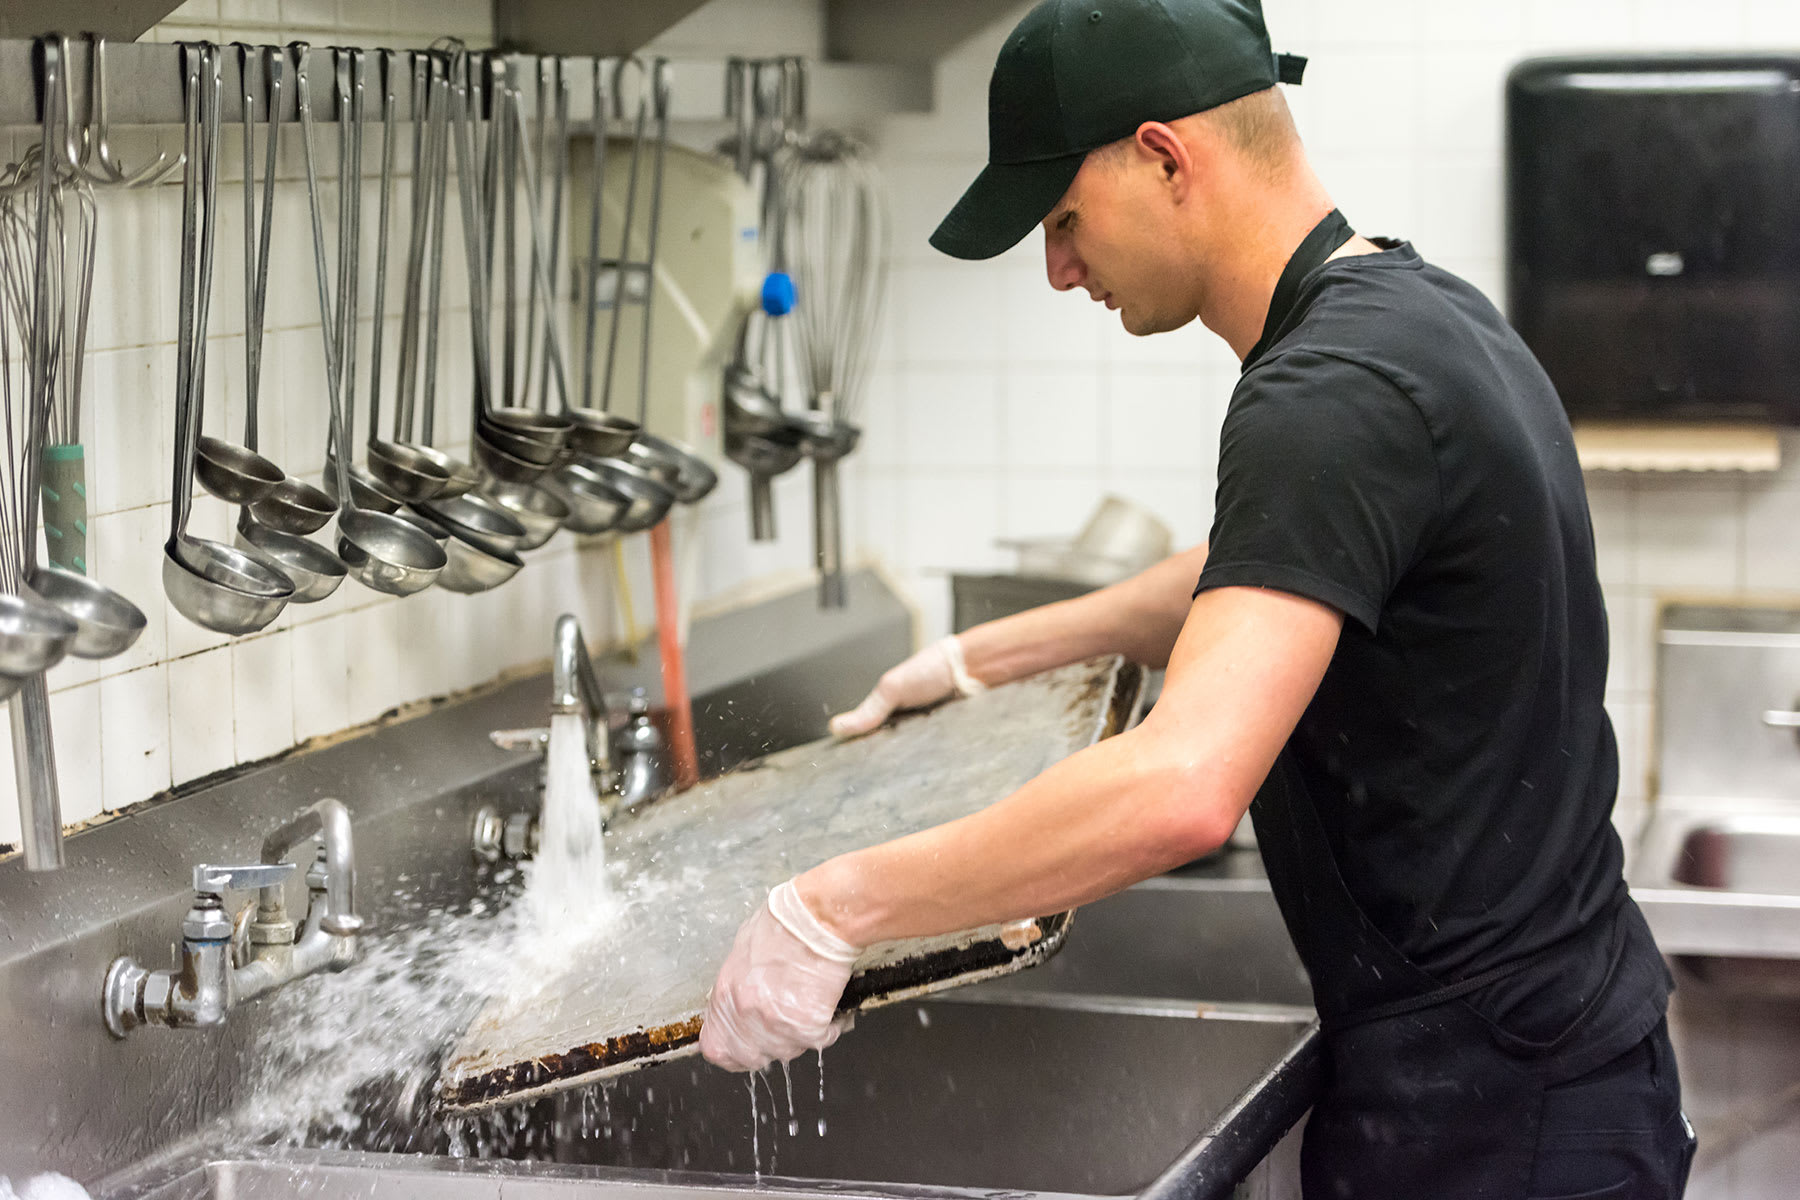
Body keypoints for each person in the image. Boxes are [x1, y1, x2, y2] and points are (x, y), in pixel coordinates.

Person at [699, 1, 1697, 1196]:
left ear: (1166, 157)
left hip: (1489, 1113)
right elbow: (1275, 571)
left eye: (1063, 219)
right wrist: (985, 657)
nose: (1060, 268)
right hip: (1554, 1055)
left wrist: (830, 907)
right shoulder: (1416, 312)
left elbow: (1180, 793)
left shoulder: (1323, 389)